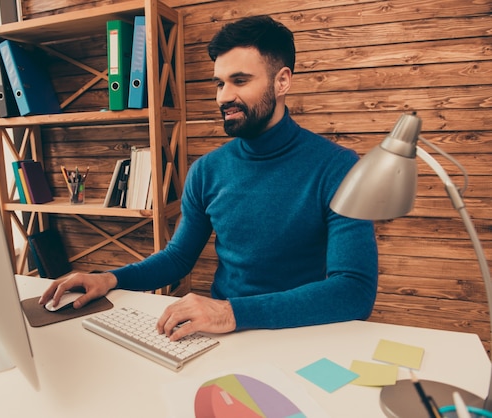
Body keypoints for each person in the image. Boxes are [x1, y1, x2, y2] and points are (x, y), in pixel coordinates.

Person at [39, 15, 378, 341]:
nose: (223, 97)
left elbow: (354, 291)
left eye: (240, 81)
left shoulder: (339, 167)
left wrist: (232, 312)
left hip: (300, 332)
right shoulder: (207, 170)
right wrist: (110, 279)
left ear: (282, 81)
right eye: (219, 83)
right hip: (226, 335)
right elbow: (178, 258)